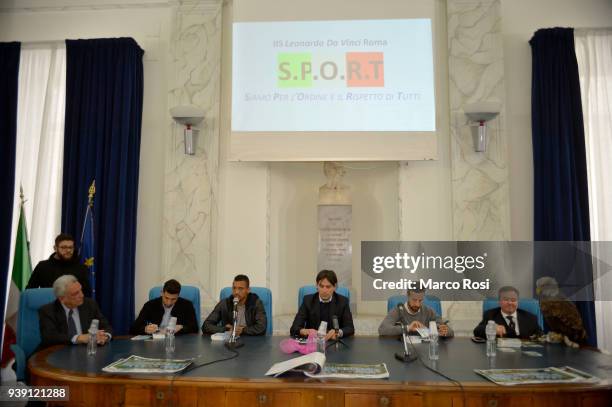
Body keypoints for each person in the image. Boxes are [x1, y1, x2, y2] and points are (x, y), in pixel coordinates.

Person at [38, 275, 112, 349]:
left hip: (85, 352)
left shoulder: (89, 304)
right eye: (75, 294)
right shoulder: (47, 311)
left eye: (81, 290)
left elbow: (106, 326)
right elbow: (49, 337)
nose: (82, 295)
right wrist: (79, 338)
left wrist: (104, 336)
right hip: (58, 353)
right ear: (62, 298)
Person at [290, 269, 354, 340]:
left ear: (335, 287)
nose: (324, 290)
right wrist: (306, 331)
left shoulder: (342, 301)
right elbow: (294, 328)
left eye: (328, 287)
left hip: (334, 343)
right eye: (321, 286)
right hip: (313, 343)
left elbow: (350, 328)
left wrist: (338, 332)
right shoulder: (308, 300)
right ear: (317, 285)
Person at [27, 233, 92, 297]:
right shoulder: (42, 266)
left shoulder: (80, 268)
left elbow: (87, 294)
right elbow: (30, 291)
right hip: (48, 305)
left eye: (71, 247)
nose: (68, 250)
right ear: (55, 248)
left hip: (72, 306)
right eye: (64, 247)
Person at [202, 274, 267, 336]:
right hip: (229, 341)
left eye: (240, 288)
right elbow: (206, 326)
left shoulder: (256, 303)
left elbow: (262, 328)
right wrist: (226, 329)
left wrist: (243, 330)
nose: (236, 292)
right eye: (234, 288)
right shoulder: (224, 303)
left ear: (248, 290)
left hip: (250, 341)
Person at [130, 279, 198, 335]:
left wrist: (181, 327)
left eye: (173, 299)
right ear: (162, 293)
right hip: (155, 343)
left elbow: (195, 328)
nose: (169, 302)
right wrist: (145, 329)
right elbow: (133, 329)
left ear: (178, 296)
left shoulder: (187, 305)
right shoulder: (150, 305)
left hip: (177, 343)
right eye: (166, 298)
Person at [473, 286, 542, 339]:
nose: (510, 303)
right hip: (500, 354)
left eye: (513, 300)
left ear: (518, 302)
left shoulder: (530, 317)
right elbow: (477, 331)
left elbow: (540, 336)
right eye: (506, 299)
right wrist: (491, 328)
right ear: (499, 302)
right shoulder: (490, 315)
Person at [378, 288, 453, 337]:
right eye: (414, 300)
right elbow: (382, 329)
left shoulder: (428, 311)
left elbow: (450, 332)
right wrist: (408, 328)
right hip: (402, 350)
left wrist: (442, 330)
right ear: (408, 296)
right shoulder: (399, 310)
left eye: (420, 300)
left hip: (425, 351)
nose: (417, 304)